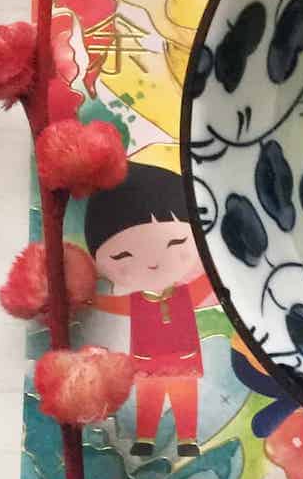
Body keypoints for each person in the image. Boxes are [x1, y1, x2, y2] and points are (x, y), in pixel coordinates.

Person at [84, 158, 214, 457]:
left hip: (184, 359)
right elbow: (113, 305)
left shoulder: (185, 292)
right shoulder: (134, 299)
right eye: (122, 256)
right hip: (145, 361)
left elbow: (210, 283)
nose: (154, 262)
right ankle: (145, 438)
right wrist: (91, 298)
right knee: (149, 400)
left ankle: (187, 439)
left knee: (184, 398)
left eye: (176, 242)